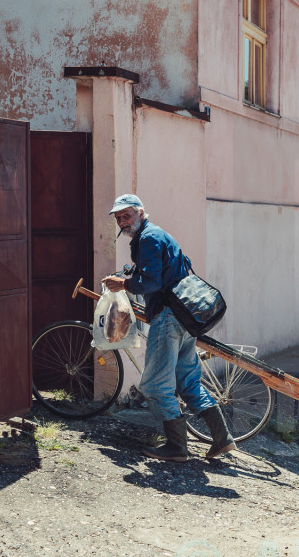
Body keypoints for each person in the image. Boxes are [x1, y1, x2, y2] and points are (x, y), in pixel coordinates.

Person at [101, 194, 236, 462]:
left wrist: (123, 285)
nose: (122, 221)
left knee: (153, 386)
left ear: (140, 212)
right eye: (118, 218)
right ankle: (222, 439)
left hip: (169, 317)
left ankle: (177, 447)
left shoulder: (148, 239)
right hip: (185, 318)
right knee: (187, 382)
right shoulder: (158, 235)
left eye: (126, 215)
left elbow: (150, 282)